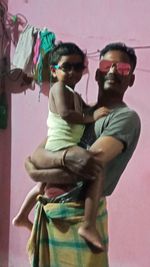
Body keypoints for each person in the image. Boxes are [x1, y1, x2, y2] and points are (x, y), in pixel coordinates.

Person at [25, 42, 141, 267]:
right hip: (50, 214)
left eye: (123, 68)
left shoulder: (125, 118)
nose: (114, 71)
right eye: (107, 65)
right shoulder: (82, 113)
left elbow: (87, 165)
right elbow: (41, 151)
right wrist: (43, 163)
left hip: (81, 218)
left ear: (132, 79)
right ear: (98, 74)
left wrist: (36, 170)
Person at [12, 42, 110, 250]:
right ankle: (88, 225)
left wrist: (96, 107)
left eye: (78, 67)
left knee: (41, 185)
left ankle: (21, 216)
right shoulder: (58, 88)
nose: (73, 72)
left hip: (62, 145)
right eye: (67, 67)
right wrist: (90, 116)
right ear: (54, 71)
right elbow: (67, 114)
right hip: (61, 145)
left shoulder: (74, 94)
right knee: (95, 170)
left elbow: (88, 109)